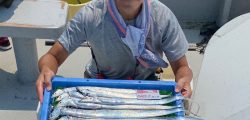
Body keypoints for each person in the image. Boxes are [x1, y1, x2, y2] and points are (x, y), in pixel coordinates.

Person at [36, 0, 193, 102]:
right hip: (99, 85)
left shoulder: (163, 17)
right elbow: (52, 57)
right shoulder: (91, 15)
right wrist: (46, 70)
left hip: (144, 86)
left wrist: (184, 79)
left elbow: (181, 67)